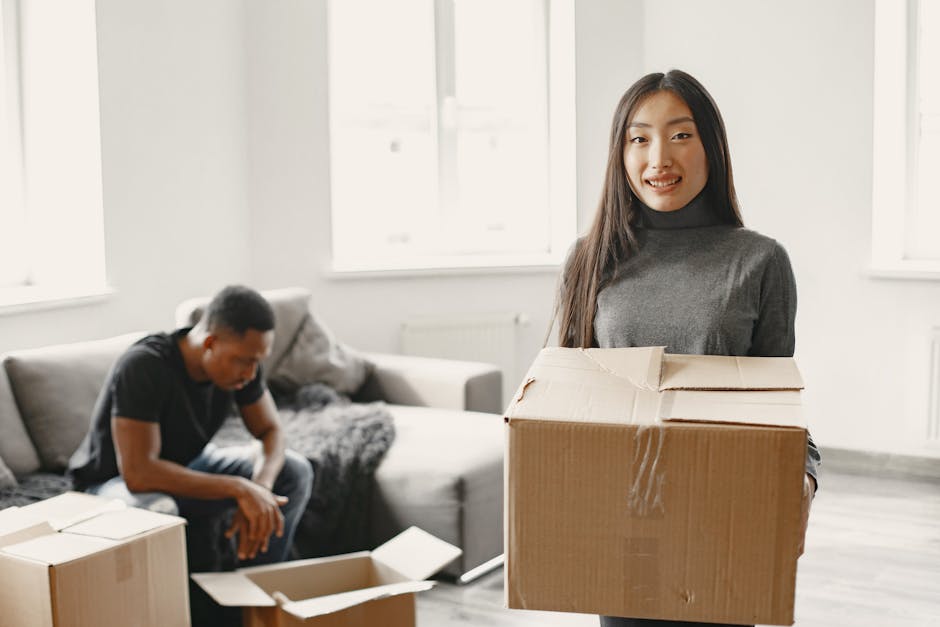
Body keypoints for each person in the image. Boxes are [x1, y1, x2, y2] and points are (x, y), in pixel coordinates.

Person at [554, 70, 820, 627]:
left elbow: (779, 403)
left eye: (680, 135)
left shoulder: (759, 260)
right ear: (620, 153)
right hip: (625, 519)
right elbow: (566, 402)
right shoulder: (590, 259)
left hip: (725, 516)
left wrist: (805, 477)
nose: (658, 158)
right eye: (639, 137)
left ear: (711, 146)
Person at [67, 284, 313, 573]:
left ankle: (254, 591)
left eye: (257, 361)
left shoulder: (244, 368)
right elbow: (139, 473)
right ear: (209, 344)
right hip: (109, 484)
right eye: (244, 362)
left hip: (190, 464)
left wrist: (261, 489)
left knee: (295, 471)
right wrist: (239, 488)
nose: (251, 373)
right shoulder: (145, 365)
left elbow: (271, 430)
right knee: (157, 509)